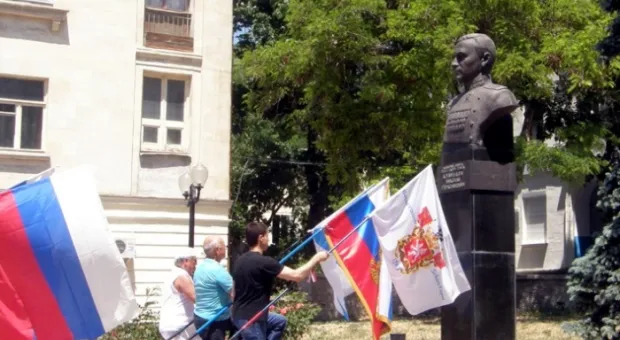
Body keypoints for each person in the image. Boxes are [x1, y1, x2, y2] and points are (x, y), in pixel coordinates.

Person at [232, 221, 329, 340]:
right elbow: (297, 275)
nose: (268, 239)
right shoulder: (264, 262)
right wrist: (316, 258)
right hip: (253, 319)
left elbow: (234, 291)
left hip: (238, 315)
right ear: (260, 238)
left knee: (279, 321)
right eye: (267, 236)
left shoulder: (239, 261)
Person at [193, 236, 235, 340]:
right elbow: (235, 293)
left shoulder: (200, 268)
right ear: (218, 250)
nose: (226, 249)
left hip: (200, 317)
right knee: (243, 324)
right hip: (215, 320)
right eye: (225, 246)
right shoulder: (218, 270)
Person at [158, 248, 198, 340]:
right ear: (186, 261)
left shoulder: (171, 274)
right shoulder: (181, 276)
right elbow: (196, 298)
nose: (196, 265)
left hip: (170, 323)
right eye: (194, 261)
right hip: (181, 325)